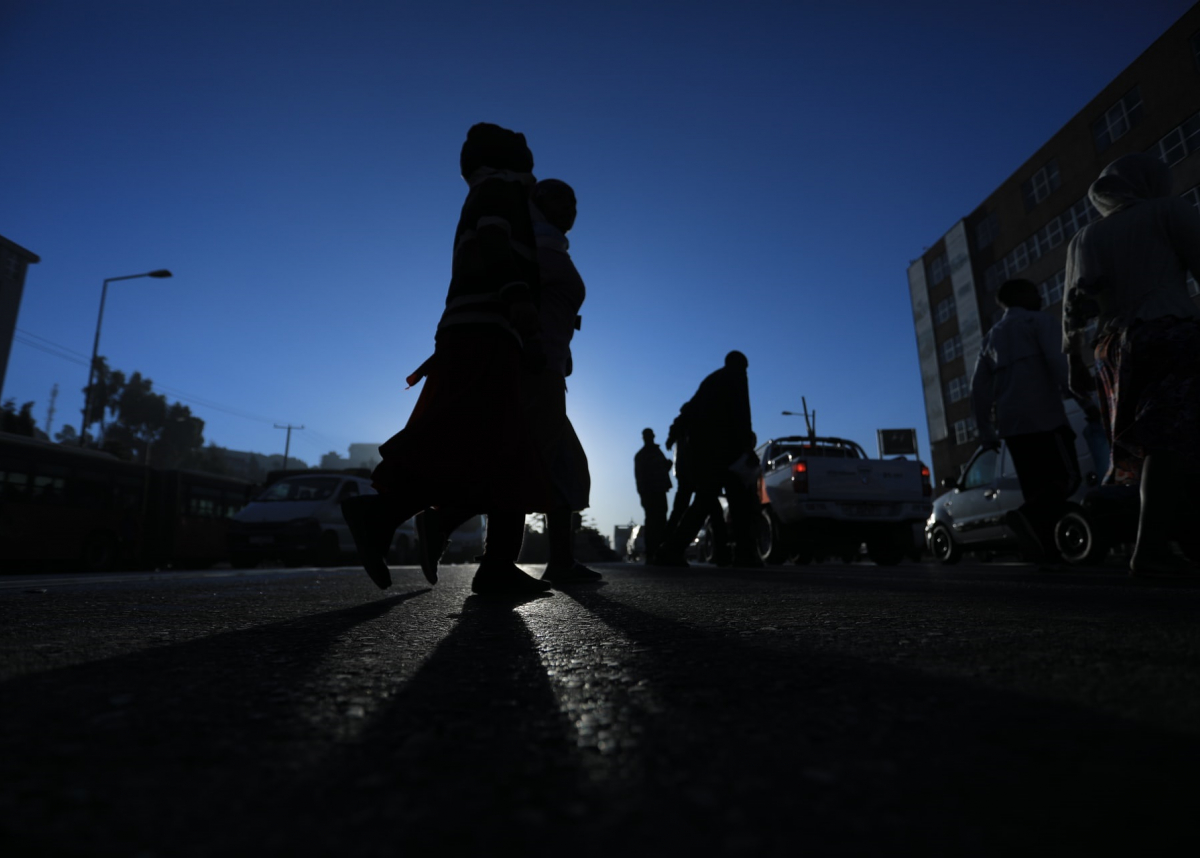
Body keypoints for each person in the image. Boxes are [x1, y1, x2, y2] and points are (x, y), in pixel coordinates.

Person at [341, 122, 553, 597]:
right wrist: (520, 302)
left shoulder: (488, 190)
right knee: (494, 442)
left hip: (477, 331)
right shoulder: (500, 191)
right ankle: (393, 519)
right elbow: (496, 243)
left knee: (484, 444)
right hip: (487, 331)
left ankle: (489, 559)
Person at [415, 178, 601, 584]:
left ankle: (560, 561)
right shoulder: (529, 246)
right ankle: (446, 525)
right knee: (526, 460)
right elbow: (510, 298)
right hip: (532, 369)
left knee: (562, 466)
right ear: (537, 203)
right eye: (561, 199)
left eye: (575, 202)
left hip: (548, 367)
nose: (571, 209)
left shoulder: (549, 247)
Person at [1062, 152, 1200, 577]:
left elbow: (1073, 309)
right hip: (1167, 333)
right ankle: (1151, 549)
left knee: (1147, 444)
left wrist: (1073, 361)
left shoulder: (1085, 238)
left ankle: (1167, 541)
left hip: (1111, 349)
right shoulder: (1167, 210)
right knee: (1172, 441)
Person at [971, 278, 1081, 563]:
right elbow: (1060, 365)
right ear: (1019, 296)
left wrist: (986, 431)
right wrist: (1085, 400)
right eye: (1035, 291)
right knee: (1067, 480)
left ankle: (1046, 554)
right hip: (1046, 419)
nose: (1041, 295)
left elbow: (978, 391)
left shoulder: (991, 338)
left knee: (1036, 487)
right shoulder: (1040, 322)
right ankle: (1026, 516)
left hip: (1013, 428)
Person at [653, 351, 760, 567]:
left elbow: (688, 412)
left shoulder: (710, 381)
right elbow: (741, 414)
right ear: (741, 365)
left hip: (706, 456)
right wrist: (747, 448)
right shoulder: (736, 377)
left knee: (703, 503)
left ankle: (671, 550)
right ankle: (744, 553)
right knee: (739, 504)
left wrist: (673, 436)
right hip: (727, 454)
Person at [665, 413, 729, 564]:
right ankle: (670, 549)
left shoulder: (686, 428)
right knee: (704, 511)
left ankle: (669, 548)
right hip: (695, 474)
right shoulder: (695, 425)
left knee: (691, 511)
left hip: (691, 473)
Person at [634, 428, 672, 563]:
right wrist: (642, 494)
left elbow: (661, 469)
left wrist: (667, 466)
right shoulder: (641, 455)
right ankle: (651, 552)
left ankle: (659, 551)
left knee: (661, 520)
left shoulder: (656, 452)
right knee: (652, 521)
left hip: (660, 490)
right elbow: (639, 477)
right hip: (649, 492)